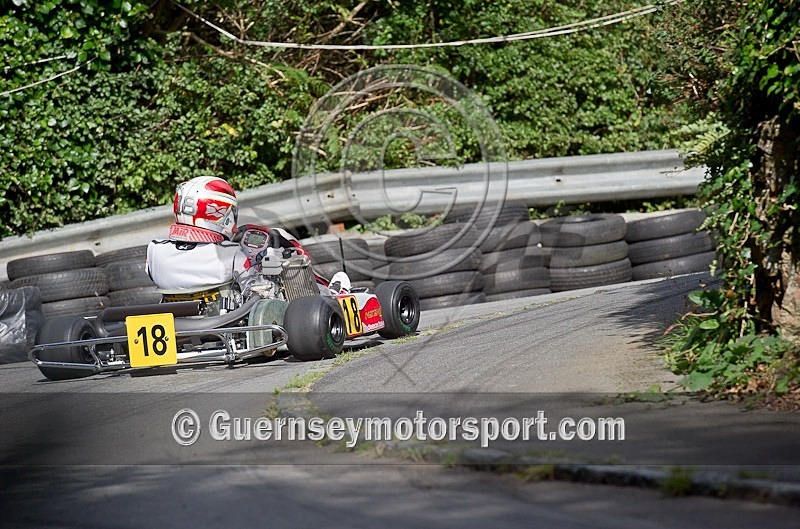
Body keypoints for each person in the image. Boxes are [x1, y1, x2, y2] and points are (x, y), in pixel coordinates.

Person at [146, 176, 253, 292]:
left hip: (171, 309)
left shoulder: (155, 250)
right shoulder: (232, 255)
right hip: (219, 310)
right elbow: (255, 288)